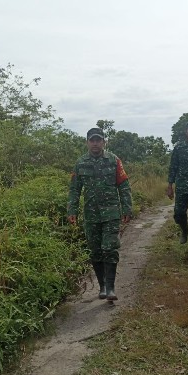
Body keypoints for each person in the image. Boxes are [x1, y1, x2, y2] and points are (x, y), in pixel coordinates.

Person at [67, 127, 133, 301]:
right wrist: (72, 210)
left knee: (110, 248)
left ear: (104, 142)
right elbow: (74, 189)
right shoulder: (80, 163)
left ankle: (111, 288)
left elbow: (124, 186)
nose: (95, 143)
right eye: (92, 140)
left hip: (111, 213)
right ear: (87, 142)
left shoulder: (114, 161)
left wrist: (127, 208)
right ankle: (102, 286)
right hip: (91, 215)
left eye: (98, 140)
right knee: (95, 251)